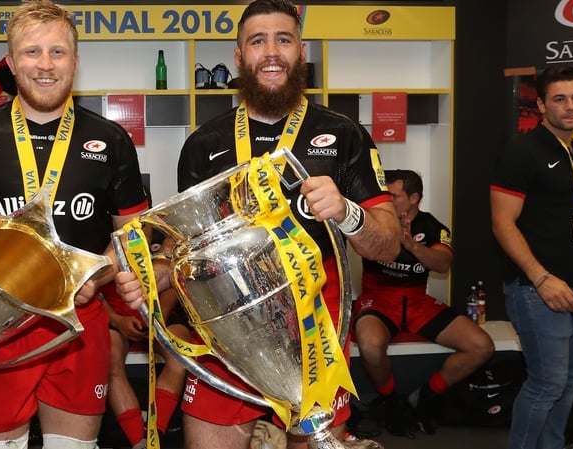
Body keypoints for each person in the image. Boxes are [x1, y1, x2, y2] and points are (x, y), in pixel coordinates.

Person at [115, 1, 401, 448]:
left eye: (283, 40)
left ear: (301, 51)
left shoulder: (343, 133)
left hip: (315, 333)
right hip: (224, 333)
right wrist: (157, 274)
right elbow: (183, 253)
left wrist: (348, 212)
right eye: (258, 41)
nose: (271, 52)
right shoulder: (203, 144)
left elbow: (387, 245)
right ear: (238, 56)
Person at [0, 1, 149, 449]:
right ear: (10, 63)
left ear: (75, 61)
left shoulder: (111, 139)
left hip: (77, 322)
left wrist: (98, 275)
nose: (45, 65)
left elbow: (133, 229)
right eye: (32, 52)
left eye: (57, 52)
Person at [353, 169, 494, 436]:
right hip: (379, 297)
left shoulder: (433, 227)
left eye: (393, 196)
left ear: (414, 197)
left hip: (418, 301)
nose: (387, 201)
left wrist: (413, 246)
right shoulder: (375, 222)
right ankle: (390, 400)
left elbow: (442, 264)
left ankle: (424, 398)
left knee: (481, 346)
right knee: (371, 346)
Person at [491, 64, 573, 449]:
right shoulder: (523, 152)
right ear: (542, 105)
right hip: (537, 288)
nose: (570, 106)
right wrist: (542, 279)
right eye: (559, 99)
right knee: (546, 383)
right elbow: (502, 224)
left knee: (571, 378)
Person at [102, 279, 189, 449]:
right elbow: (92, 287)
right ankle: (138, 441)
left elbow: (173, 277)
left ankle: (156, 435)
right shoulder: (104, 252)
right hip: (115, 316)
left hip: (160, 314)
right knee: (110, 356)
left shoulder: (167, 251)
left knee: (179, 352)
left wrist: (158, 317)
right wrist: (116, 319)